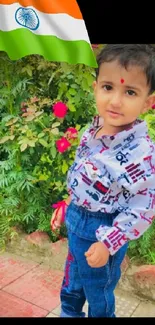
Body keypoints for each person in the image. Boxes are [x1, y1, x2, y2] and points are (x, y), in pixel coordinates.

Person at [51, 44, 155, 317]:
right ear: (96, 87)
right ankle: (69, 313)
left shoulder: (140, 154)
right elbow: (81, 174)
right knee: (71, 283)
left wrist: (109, 243)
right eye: (108, 87)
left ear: (147, 102)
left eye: (130, 91)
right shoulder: (92, 131)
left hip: (103, 231)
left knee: (99, 295)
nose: (116, 101)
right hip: (76, 221)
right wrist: (68, 204)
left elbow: (142, 208)